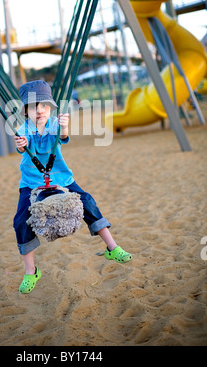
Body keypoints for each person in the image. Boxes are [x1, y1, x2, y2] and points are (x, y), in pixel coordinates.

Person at [13, 80, 132, 294]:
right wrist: (21, 145)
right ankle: (31, 271)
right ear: (26, 111)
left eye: (43, 106)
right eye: (33, 107)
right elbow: (23, 147)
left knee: (87, 201)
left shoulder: (55, 123)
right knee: (20, 220)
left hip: (61, 177)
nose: (39, 111)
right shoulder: (23, 128)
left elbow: (64, 136)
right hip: (32, 181)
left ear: (49, 107)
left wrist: (65, 126)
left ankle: (112, 247)